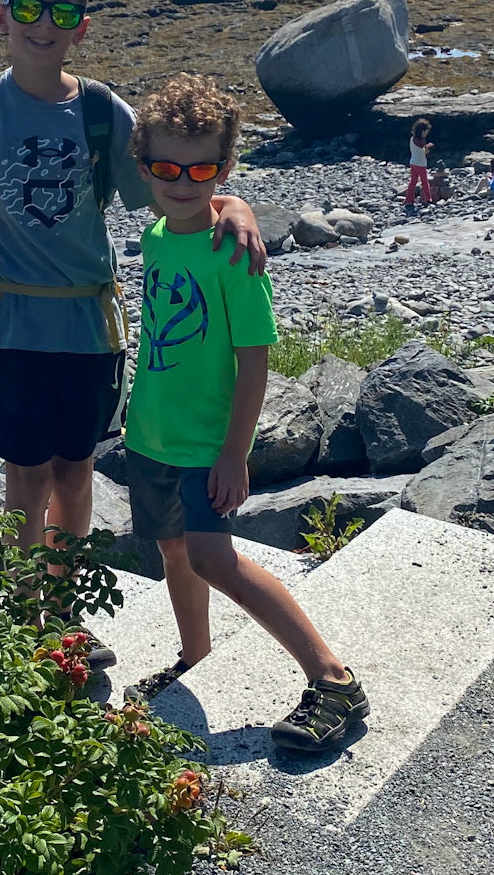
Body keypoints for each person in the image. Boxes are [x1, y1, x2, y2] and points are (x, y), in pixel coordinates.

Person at [0, 0, 266, 662]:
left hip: (90, 328)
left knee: (76, 474)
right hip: (7, 325)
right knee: (25, 479)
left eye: (61, 11)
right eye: (28, 8)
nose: (43, 24)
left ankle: (63, 611)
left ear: (82, 24)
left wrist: (236, 204)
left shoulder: (104, 112)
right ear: (2, 15)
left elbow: (175, 189)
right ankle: (25, 625)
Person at [123, 73, 371, 754]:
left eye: (201, 170)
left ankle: (333, 679)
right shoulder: (154, 237)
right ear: (143, 167)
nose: (183, 182)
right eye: (167, 168)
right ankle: (195, 654)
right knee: (174, 549)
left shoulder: (234, 254)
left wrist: (235, 452)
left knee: (214, 558)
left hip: (206, 444)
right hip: (151, 434)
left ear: (224, 168)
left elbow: (255, 361)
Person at [404, 117, 434, 208]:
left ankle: (408, 200)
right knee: (424, 182)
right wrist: (429, 146)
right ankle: (428, 199)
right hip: (420, 164)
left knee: (412, 182)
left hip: (413, 162)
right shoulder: (421, 140)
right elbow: (423, 150)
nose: (426, 133)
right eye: (426, 131)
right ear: (422, 131)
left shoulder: (412, 138)